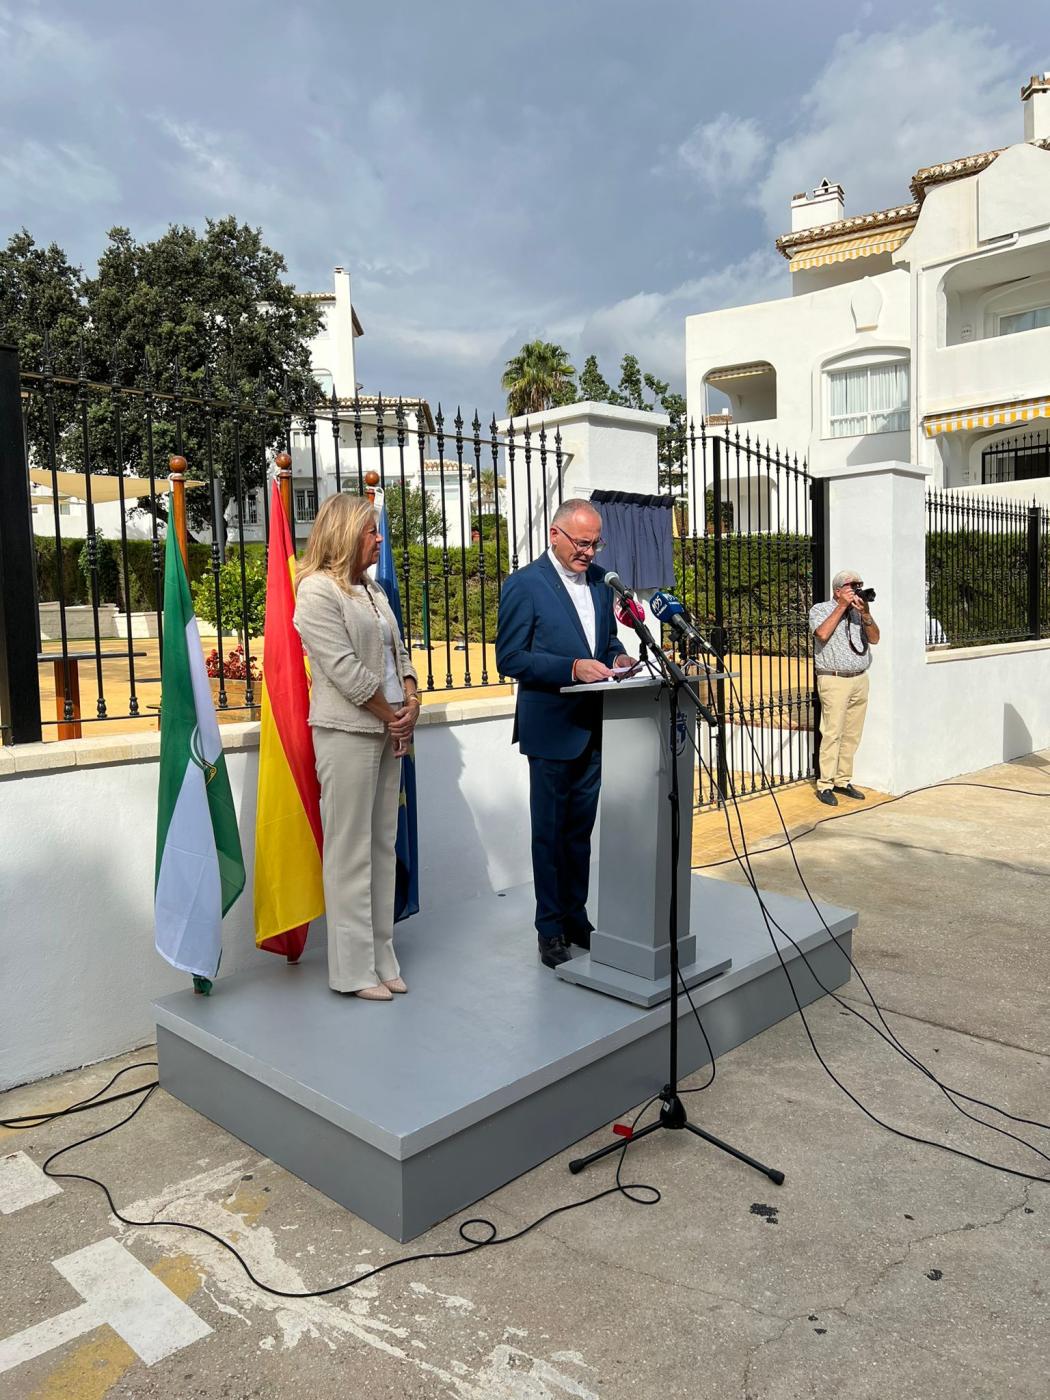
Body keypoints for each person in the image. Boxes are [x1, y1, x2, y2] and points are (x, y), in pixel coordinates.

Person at [495, 499, 636, 969]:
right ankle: (550, 929)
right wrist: (571, 667)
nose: (590, 552)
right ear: (554, 534)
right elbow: (511, 658)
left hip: (593, 727)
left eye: (596, 543)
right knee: (550, 836)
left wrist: (616, 658)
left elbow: (605, 641)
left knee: (579, 834)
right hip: (552, 729)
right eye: (582, 542)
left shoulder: (600, 584)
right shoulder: (524, 585)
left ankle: (577, 918)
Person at [294, 493, 420, 1000]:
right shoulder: (316, 592)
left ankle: (381, 955)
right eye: (372, 532)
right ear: (346, 533)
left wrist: (411, 698)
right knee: (349, 853)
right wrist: (395, 718)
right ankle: (350, 970)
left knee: (382, 847)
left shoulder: (371, 589)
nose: (379, 539)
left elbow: (400, 652)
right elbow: (343, 669)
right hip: (347, 734)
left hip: (389, 730)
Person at [808, 568, 880, 807]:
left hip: (859, 678)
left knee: (851, 734)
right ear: (838, 590)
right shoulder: (820, 609)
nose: (857, 589)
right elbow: (821, 634)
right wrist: (841, 607)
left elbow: (875, 638)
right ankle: (825, 784)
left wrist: (866, 615)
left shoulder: (860, 611)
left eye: (859, 585)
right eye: (852, 586)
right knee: (832, 732)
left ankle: (843, 780)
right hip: (834, 679)